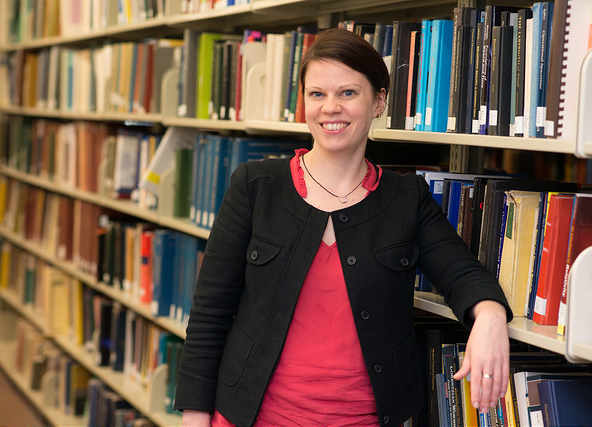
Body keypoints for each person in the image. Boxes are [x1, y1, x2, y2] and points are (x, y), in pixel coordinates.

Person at [174, 27, 512, 427]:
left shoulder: (406, 197)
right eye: (317, 94)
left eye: (348, 93)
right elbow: (210, 312)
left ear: (378, 102)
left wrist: (490, 317)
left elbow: (462, 273)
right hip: (251, 417)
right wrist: (195, 418)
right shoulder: (255, 186)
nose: (330, 107)